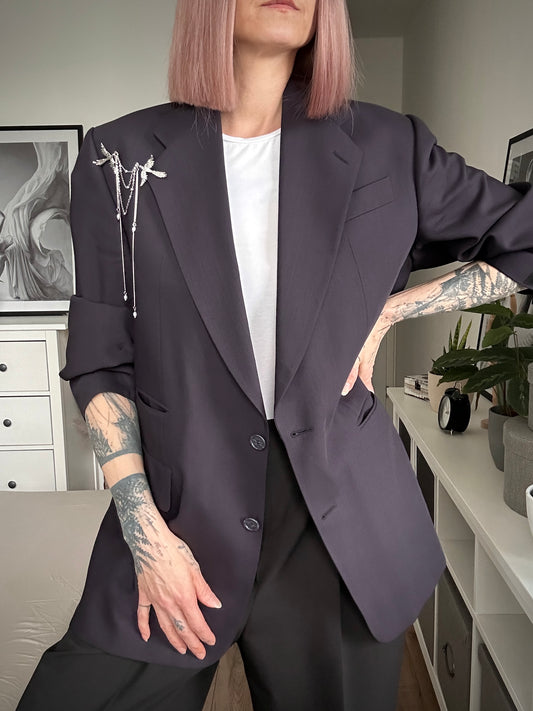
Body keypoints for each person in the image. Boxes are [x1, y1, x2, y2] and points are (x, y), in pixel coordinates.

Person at [16, 0, 533, 709]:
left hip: (337, 529)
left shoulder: (390, 145)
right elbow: (101, 359)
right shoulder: (118, 157)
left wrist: (392, 309)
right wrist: (145, 533)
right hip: (175, 509)